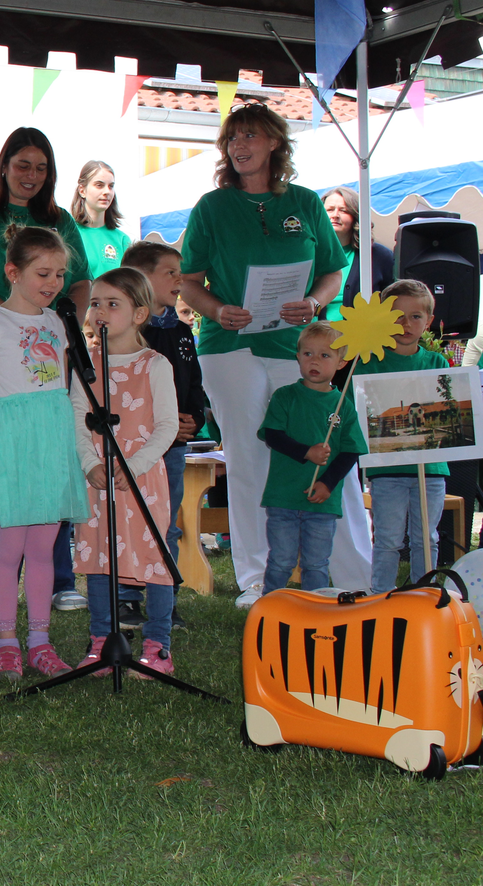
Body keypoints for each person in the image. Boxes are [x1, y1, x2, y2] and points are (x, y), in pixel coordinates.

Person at [177, 103, 359, 606]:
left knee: (326, 445)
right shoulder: (211, 207)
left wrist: (315, 303)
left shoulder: (306, 201)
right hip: (228, 347)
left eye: (250, 135)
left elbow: (333, 270)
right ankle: (257, 581)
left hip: (298, 347)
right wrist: (217, 310)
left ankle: (351, 574)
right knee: (248, 457)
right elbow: (188, 283)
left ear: (275, 142)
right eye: (233, 137)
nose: (239, 145)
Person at [0, 128, 92, 615]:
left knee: (50, 476)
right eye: (23, 164)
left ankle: (59, 581)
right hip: (0, 356)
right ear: (4, 165)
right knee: (7, 478)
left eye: (41, 167)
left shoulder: (61, 220)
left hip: (46, 364)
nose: (32, 175)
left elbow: (82, 283)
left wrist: (56, 322)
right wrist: (15, 324)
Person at [0, 226, 90, 681]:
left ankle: (41, 642)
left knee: (45, 547)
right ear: (13, 272)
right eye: (43, 273)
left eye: (60, 274)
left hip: (51, 442)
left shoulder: (58, 323)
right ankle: (8, 642)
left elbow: (69, 388)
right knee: (10, 546)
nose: (54, 283)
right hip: (11, 444)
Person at [69, 269, 179, 674]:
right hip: (99, 479)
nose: (100, 311)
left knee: (155, 559)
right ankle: (102, 639)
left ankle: (158, 644)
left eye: (112, 304)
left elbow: (167, 426)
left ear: (139, 314)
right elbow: (77, 418)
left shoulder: (155, 365)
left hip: (141, 479)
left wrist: (132, 466)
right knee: (100, 558)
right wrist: (90, 463)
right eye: (95, 303)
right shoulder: (85, 367)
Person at [122, 241, 205, 630]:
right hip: (133, 446)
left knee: (165, 523)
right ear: (141, 277)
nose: (179, 280)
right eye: (170, 273)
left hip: (172, 448)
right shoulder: (127, 332)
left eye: (180, 273)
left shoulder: (183, 332)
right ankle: (125, 598)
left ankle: (164, 599)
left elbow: (193, 385)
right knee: (128, 519)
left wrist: (194, 419)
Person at [258, 322, 366, 594]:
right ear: (298, 357)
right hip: (283, 497)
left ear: (341, 363)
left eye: (325, 355)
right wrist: (307, 452)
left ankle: (314, 610)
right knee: (281, 561)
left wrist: (327, 483)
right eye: (308, 354)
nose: (314, 361)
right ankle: (271, 606)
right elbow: (272, 435)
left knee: (316, 564)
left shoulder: (343, 406)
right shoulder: (285, 397)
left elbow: (351, 451)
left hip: (322, 503)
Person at [361, 280, 451, 592]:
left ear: (429, 321)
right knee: (387, 539)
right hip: (387, 469)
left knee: (426, 538)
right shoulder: (369, 363)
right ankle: (379, 596)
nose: (406, 324)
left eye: (415, 316)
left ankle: (424, 594)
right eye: (397, 316)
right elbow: (360, 412)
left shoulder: (437, 362)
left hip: (431, 469)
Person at [321, 187, 394, 321]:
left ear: (356, 216)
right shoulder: (312, 253)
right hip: (316, 332)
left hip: (362, 332)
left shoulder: (379, 255)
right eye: (330, 210)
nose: (335, 215)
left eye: (343, 210)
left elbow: (393, 300)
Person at [71, 160, 133, 278]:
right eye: (99, 185)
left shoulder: (122, 240)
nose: (107, 192)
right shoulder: (69, 234)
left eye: (111, 186)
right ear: (82, 190)